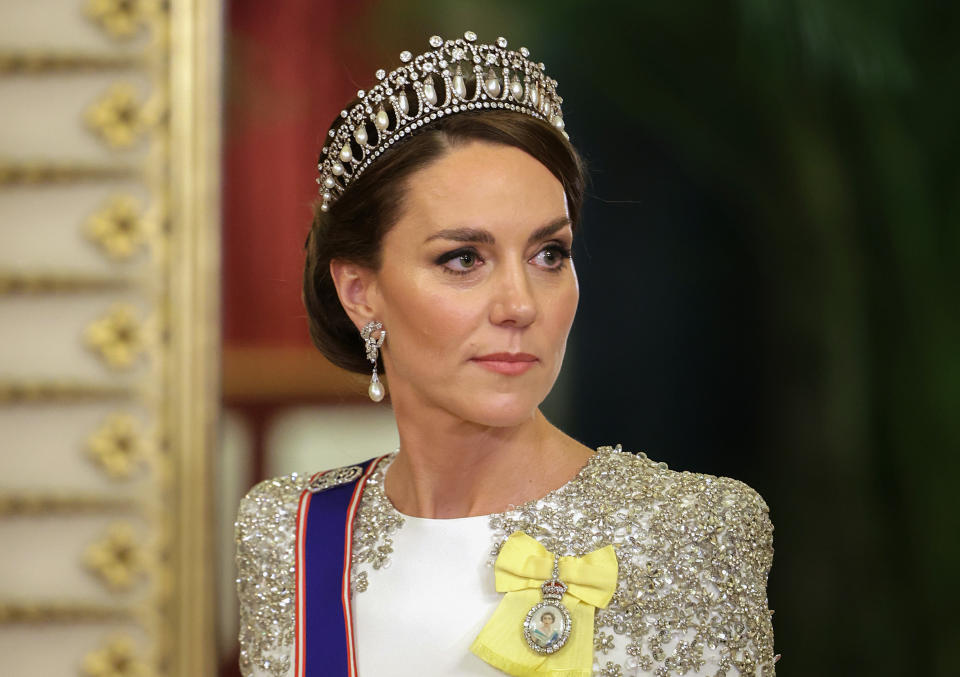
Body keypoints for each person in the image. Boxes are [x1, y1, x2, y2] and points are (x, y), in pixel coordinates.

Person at [236, 30, 776, 677]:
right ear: (360, 291)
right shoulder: (289, 534)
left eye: (550, 254)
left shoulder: (693, 535)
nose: (519, 303)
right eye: (463, 259)